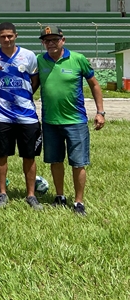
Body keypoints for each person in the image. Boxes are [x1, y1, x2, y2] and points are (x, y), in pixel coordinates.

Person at [36, 26, 105, 215]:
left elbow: (95, 85)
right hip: (50, 121)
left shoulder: (77, 59)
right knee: (55, 161)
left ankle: (78, 202)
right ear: (43, 43)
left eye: (54, 39)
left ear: (62, 40)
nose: (51, 43)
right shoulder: (40, 61)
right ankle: (59, 196)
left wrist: (100, 112)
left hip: (76, 121)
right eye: (46, 40)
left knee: (78, 162)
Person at [0, 22, 43, 211]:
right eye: (3, 36)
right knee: (1, 155)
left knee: (30, 156)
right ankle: (2, 193)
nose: (7, 39)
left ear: (16, 36)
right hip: (1, 115)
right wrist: (4, 99)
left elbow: (35, 82)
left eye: (10, 36)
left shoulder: (29, 56)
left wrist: (22, 98)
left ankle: (31, 195)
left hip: (27, 115)